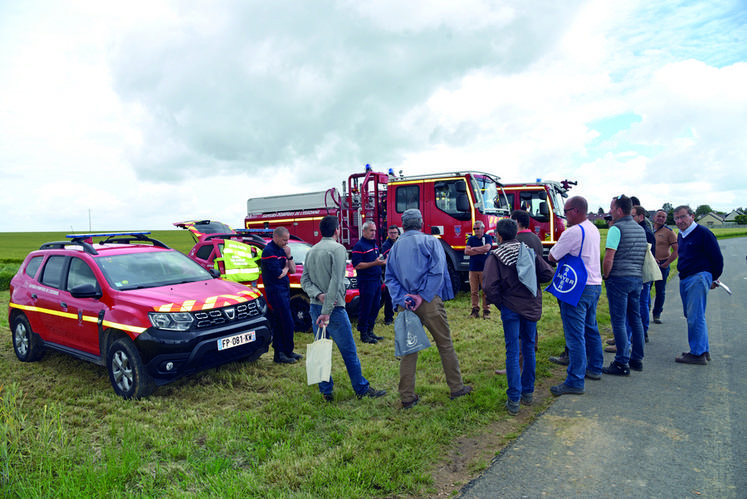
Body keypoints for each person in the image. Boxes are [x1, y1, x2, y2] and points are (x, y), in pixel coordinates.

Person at [385, 209, 473, 409]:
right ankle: (456, 388)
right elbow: (437, 272)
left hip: (405, 305)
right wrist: (422, 295)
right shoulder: (431, 241)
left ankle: (407, 397)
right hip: (429, 301)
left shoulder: (395, 248)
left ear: (403, 226)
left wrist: (404, 297)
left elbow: (389, 278)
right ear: (421, 223)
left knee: (409, 350)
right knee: (445, 344)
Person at [300, 215, 387, 401]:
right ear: (337, 230)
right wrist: (327, 308)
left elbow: (304, 280)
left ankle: (326, 391)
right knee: (349, 351)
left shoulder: (312, 250)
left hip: (316, 307)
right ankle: (361, 389)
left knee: (321, 349)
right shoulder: (338, 249)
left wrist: (318, 296)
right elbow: (336, 281)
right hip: (334, 309)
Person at [483, 219, 553, 415]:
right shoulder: (528, 250)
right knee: (529, 348)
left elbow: (489, 286)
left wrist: (500, 303)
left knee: (512, 352)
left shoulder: (496, 256)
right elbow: (548, 273)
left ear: (499, 235)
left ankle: (514, 400)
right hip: (530, 306)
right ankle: (528, 394)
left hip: (510, 308)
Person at [547, 196, 605, 395]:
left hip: (577, 288)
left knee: (574, 336)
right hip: (594, 284)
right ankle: (595, 367)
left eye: (566, 211)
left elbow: (552, 256)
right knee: (591, 329)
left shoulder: (572, 232)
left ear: (576, 211)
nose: (564, 216)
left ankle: (575, 380)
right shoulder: (593, 228)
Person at [602, 195, 647, 376]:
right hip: (636, 277)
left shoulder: (616, 228)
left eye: (612, 209)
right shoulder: (640, 229)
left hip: (619, 278)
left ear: (619, 210)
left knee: (619, 320)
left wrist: (606, 276)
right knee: (635, 319)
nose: (610, 212)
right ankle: (637, 358)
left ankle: (621, 361)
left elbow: (609, 256)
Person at [495, 210, 544, 375]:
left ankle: (518, 368)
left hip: (515, 298)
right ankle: (527, 372)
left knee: (517, 341)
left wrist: (500, 302)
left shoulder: (519, 241)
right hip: (532, 294)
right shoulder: (536, 239)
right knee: (530, 339)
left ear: (516, 222)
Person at [672, 206, 724, 365]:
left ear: (692, 216)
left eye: (682, 217)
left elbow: (717, 258)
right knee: (693, 315)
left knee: (695, 315)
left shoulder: (703, 233)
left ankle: (698, 353)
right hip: (686, 277)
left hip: (698, 276)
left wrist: (713, 278)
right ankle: (702, 349)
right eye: (677, 218)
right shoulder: (681, 235)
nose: (679, 221)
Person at [261, 227, 302, 364]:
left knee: (283, 321)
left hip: (284, 289)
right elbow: (279, 274)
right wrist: (285, 268)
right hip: (275, 291)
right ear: (276, 237)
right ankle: (279, 353)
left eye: (287, 240)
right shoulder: (269, 251)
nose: (286, 242)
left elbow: (293, 269)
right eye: (284, 240)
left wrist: (289, 256)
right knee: (286, 321)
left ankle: (288, 351)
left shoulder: (282, 250)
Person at [351, 221, 387, 344]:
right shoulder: (359, 246)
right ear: (364, 231)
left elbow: (377, 261)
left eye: (375, 231)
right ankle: (363, 333)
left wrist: (382, 263)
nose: (373, 233)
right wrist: (375, 263)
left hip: (376, 280)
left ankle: (371, 331)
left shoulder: (375, 245)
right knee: (366, 307)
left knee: (375, 306)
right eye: (371, 230)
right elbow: (357, 265)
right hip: (366, 281)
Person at [632, 205, 656, 343]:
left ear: (641, 217)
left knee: (641, 304)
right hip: (641, 272)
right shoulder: (645, 230)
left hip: (641, 273)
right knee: (642, 303)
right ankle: (641, 332)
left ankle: (642, 333)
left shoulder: (643, 231)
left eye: (633, 216)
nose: (630, 219)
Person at [651, 209, 678, 324]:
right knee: (645, 290)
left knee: (660, 291)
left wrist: (666, 263)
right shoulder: (648, 230)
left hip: (663, 264)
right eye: (659, 216)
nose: (660, 218)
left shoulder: (669, 232)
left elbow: (677, 250)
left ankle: (657, 314)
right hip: (650, 264)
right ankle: (644, 312)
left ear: (666, 219)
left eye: (663, 217)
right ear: (654, 217)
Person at [465, 220, 493, 319]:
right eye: (474, 229)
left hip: (485, 269)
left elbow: (487, 248)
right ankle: (475, 310)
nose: (476, 230)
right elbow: (467, 251)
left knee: (485, 291)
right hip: (473, 269)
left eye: (477, 228)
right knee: (474, 291)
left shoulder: (488, 237)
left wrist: (474, 249)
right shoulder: (471, 239)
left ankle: (486, 310)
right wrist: (480, 250)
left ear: (482, 228)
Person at [381, 225, 400, 326]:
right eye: (391, 233)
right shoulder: (386, 245)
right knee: (389, 297)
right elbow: (388, 259)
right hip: (390, 274)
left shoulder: (400, 242)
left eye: (395, 233)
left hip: (400, 274)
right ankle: (388, 318)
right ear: (388, 233)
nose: (393, 235)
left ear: (398, 233)